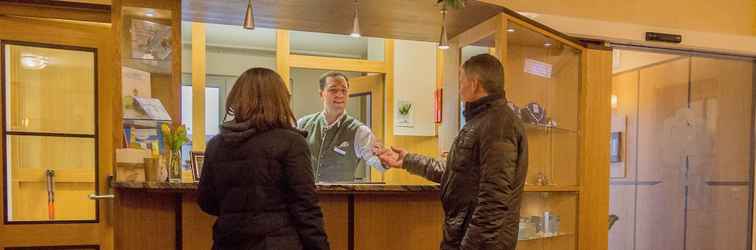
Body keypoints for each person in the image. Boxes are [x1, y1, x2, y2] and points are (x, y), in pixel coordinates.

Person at [376, 54, 528, 250]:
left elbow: (494, 199)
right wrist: (407, 160)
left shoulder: (498, 125)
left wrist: (470, 246)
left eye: (461, 81)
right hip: (461, 235)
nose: (459, 87)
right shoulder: (481, 121)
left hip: (478, 243)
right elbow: (455, 172)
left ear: (474, 84)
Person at [197, 68, 330, 250]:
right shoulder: (291, 142)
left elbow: (206, 202)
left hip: (228, 241)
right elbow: (305, 208)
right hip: (278, 242)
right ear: (280, 100)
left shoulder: (216, 144)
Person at [297, 71, 385, 183]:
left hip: (340, 198)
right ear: (321, 94)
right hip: (305, 196)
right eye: (333, 90)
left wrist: (384, 161)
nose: (339, 95)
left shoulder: (360, 131)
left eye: (344, 90)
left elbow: (377, 163)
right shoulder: (302, 124)